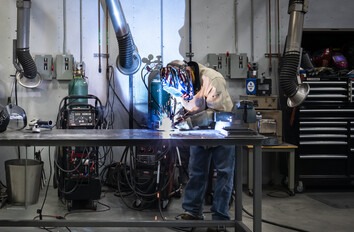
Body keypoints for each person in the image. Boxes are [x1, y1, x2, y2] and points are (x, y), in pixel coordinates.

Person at [160, 60, 235, 230]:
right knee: (196, 172)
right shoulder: (177, 82)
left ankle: (220, 220)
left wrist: (189, 122)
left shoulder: (212, 79)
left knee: (224, 174)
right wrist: (177, 118)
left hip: (222, 132)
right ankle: (193, 212)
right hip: (199, 132)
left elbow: (219, 114)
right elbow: (185, 105)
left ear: (188, 74)